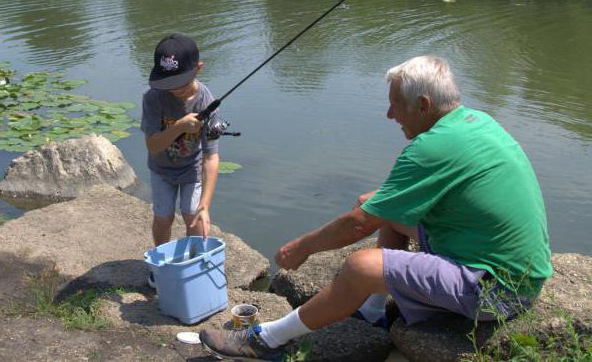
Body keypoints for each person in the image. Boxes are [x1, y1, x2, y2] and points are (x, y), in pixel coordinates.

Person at [200, 55, 552, 360]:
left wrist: (302, 247)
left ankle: (266, 341)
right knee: (379, 202)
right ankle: (371, 312)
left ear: (424, 105)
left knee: (360, 266)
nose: (389, 114)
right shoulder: (476, 121)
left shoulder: (432, 146)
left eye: (395, 103)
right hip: (498, 260)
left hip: (499, 290)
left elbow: (358, 226)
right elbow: (377, 210)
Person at [140, 33, 221, 288]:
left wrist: (205, 206)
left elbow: (211, 156)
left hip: (192, 168)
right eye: (169, 82)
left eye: (181, 82)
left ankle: (195, 268)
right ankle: (161, 266)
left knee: (193, 216)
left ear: (198, 68)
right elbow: (153, 146)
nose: (175, 88)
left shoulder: (206, 100)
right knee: (163, 217)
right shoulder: (152, 97)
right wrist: (179, 127)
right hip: (161, 169)